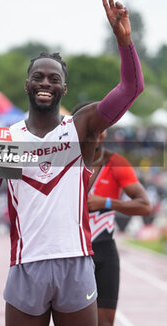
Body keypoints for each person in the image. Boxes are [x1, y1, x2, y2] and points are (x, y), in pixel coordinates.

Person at [0, 0, 145, 326]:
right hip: (27, 266)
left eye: (54, 78)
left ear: (64, 89)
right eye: (38, 76)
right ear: (27, 83)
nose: (46, 82)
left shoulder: (80, 127)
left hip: (75, 263)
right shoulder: (7, 141)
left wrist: (125, 42)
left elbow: (130, 90)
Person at [73, 102, 152, 326]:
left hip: (104, 251)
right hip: (72, 253)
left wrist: (106, 202)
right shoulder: (63, 163)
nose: (98, 132)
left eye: (102, 126)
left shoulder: (116, 163)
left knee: (105, 323)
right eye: (92, 127)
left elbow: (145, 205)